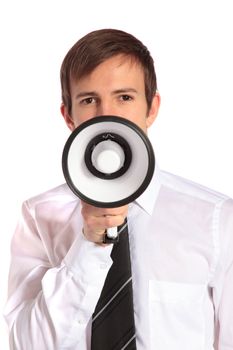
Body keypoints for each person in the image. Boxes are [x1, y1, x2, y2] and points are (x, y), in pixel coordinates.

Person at [4, 28, 233, 350]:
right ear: (68, 115)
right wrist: (89, 245)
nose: (106, 114)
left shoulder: (215, 219)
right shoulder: (40, 216)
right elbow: (28, 344)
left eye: (124, 97)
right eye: (88, 100)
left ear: (151, 108)